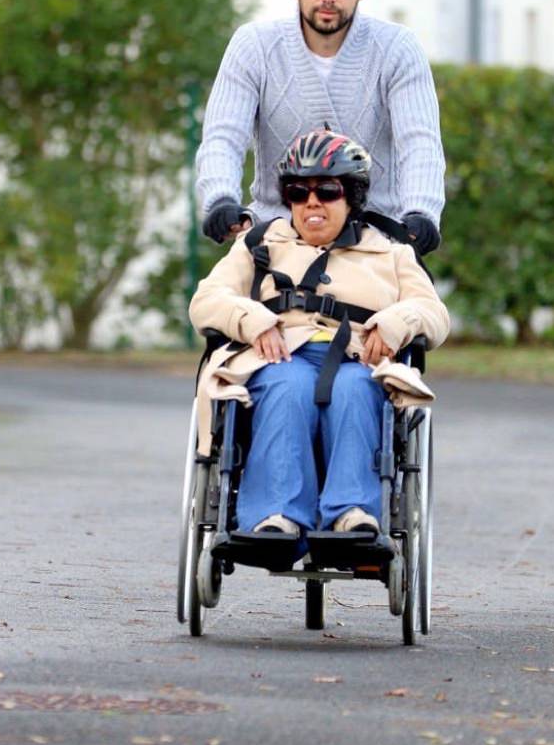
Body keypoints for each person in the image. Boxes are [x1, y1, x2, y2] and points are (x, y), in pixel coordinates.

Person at [188, 128, 450, 537]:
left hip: (357, 357)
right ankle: (276, 516)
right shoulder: (258, 243)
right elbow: (206, 300)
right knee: (286, 383)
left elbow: (433, 312)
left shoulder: (392, 253)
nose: (312, 202)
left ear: (351, 197)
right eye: (297, 191)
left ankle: (352, 513)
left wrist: (397, 323)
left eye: (327, 190)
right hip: (280, 356)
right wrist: (252, 319)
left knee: (355, 387)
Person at [194, 0, 446, 255]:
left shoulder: (398, 48)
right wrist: (220, 199)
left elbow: (420, 142)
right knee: (214, 304)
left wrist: (421, 212)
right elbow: (223, 136)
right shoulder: (253, 46)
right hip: (275, 236)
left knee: (419, 308)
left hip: (376, 241)